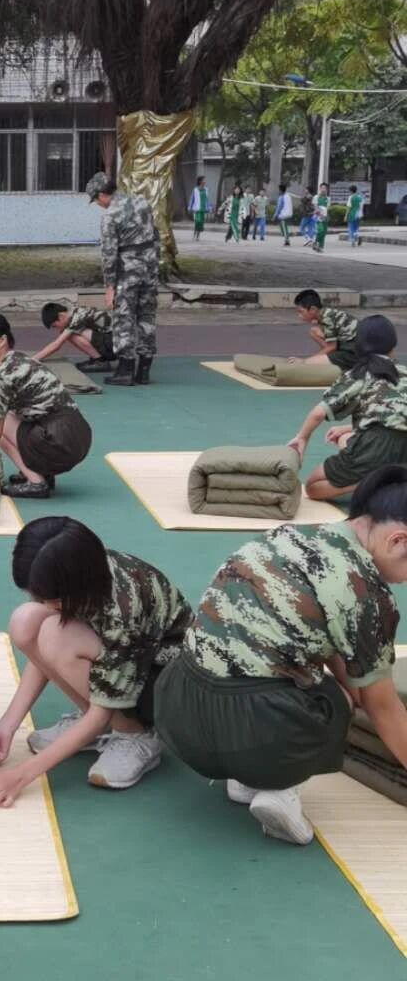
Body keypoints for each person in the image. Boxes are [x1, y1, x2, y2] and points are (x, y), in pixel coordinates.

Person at [155, 466, 407, 847]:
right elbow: (384, 710)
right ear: (398, 540)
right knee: (335, 702)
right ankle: (279, 791)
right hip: (256, 722)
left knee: (317, 682)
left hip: (177, 710)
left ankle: (246, 776)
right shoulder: (368, 594)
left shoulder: (288, 536)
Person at [0, 516, 191, 802]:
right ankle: (90, 728)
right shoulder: (76, 572)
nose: (46, 604)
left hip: (165, 686)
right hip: (120, 671)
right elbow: (42, 657)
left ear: (74, 586)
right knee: (25, 621)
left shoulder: (125, 608)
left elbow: (101, 706)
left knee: (53, 633)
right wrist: (7, 725)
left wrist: (21, 775)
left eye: (52, 599)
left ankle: (134, 735)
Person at [0, 314, 91, 499]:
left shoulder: (3, 376)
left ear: (2, 341)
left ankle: (36, 482)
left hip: (60, 442)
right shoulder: (21, 359)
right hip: (78, 436)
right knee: (6, 419)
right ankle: (42, 474)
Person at [286, 317, 407, 502]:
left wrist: (302, 438)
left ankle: (374, 481)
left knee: (312, 487)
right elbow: (393, 417)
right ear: (392, 346)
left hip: (373, 445)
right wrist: (348, 429)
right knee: (343, 438)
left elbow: (319, 412)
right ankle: (392, 476)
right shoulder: (404, 372)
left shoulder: (357, 374)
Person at [85, 171, 159, 386]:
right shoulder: (142, 202)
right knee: (146, 317)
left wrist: (109, 287)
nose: (98, 204)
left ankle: (125, 370)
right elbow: (155, 235)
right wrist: (152, 265)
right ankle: (144, 370)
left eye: (95, 200)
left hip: (127, 272)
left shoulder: (110, 215)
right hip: (149, 268)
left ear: (101, 195)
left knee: (124, 318)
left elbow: (109, 254)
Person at [35, 301, 115, 374]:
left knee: (71, 334)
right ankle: (97, 359)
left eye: (55, 326)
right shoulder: (75, 312)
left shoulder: (76, 318)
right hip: (115, 341)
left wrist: (34, 359)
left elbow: (56, 345)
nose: (57, 329)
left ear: (61, 316)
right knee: (70, 332)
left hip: (116, 344)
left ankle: (100, 362)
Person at [292, 289, 359, 369]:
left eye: (301, 312)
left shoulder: (327, 318)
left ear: (313, 309)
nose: (299, 315)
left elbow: (332, 346)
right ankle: (328, 357)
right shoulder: (325, 313)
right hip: (350, 345)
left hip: (353, 353)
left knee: (308, 363)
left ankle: (331, 358)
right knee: (314, 331)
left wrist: (305, 360)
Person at [313, 182, 331, 253]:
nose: (323, 189)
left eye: (325, 188)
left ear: (327, 189)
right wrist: (321, 215)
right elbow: (316, 208)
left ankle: (320, 247)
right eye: (322, 188)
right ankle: (316, 242)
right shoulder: (316, 197)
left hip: (325, 217)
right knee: (320, 230)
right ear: (320, 188)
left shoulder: (328, 199)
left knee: (324, 232)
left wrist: (326, 216)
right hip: (318, 217)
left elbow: (328, 208)